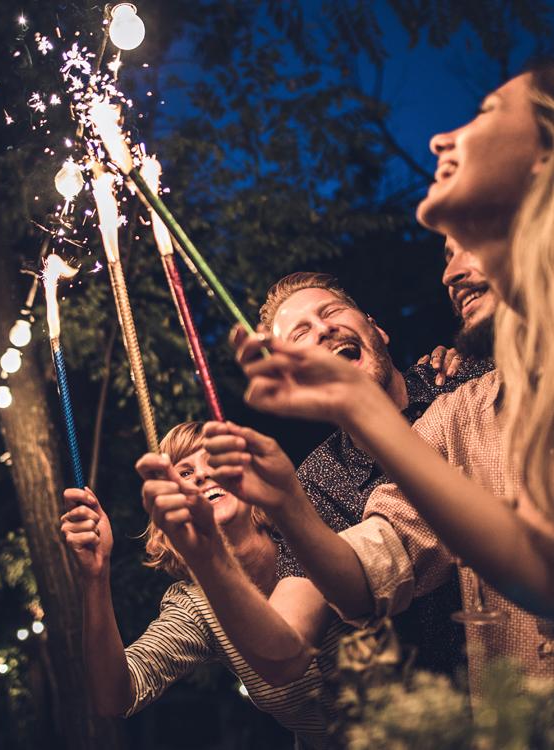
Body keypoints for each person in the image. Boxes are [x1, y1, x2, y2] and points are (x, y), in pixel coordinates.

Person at [224, 63, 554, 689]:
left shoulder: (459, 382)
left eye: (485, 110)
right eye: (448, 255)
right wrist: (269, 517)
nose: (438, 140)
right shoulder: (460, 415)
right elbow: (362, 585)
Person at [256, 269, 492, 677]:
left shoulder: (463, 384)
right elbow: (285, 644)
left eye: (331, 311)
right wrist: (207, 556)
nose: (323, 328)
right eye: (300, 334)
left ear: (376, 328)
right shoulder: (315, 483)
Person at [62, 422, 348, 750]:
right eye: (184, 473)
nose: (201, 475)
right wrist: (95, 577)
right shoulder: (198, 605)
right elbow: (115, 696)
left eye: (213, 461)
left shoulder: (307, 529)